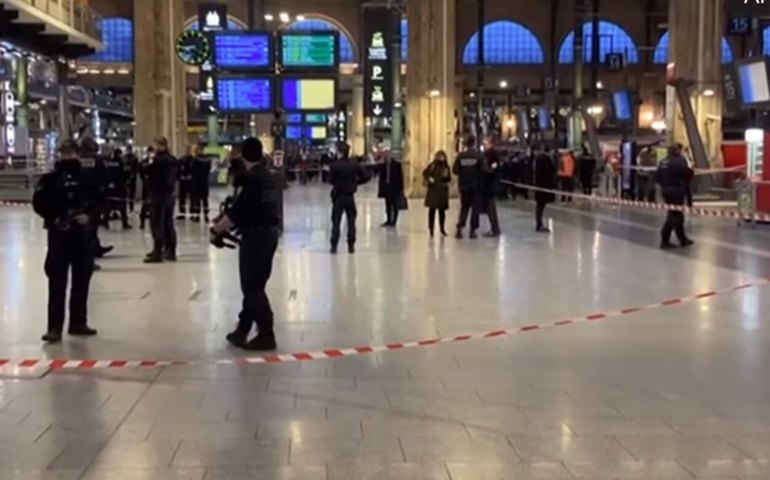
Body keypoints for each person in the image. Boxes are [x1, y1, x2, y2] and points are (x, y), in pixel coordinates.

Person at [212, 137, 280, 352]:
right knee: (255, 285)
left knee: (252, 287)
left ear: (243, 155)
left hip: (256, 237)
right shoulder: (268, 177)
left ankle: (266, 333)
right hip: (269, 235)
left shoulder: (250, 180)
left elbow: (237, 212)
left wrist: (216, 230)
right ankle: (242, 329)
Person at [33, 141, 99, 343]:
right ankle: (54, 327)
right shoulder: (50, 179)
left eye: (71, 152)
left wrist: (88, 216)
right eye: (64, 152)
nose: (67, 156)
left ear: (78, 154)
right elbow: (39, 203)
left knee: (81, 281)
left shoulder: (88, 178)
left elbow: (99, 201)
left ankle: (78, 322)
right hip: (59, 235)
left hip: (82, 236)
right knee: (57, 282)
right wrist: (55, 218)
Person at [329, 143, 370, 254]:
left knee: (336, 222)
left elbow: (330, 180)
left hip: (339, 196)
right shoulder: (354, 165)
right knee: (351, 221)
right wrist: (356, 183)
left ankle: (334, 245)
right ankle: (351, 245)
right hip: (350, 197)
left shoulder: (335, 165)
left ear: (340, 152)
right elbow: (366, 176)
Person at [144, 137, 178, 263]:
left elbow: (146, 171)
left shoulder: (158, 160)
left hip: (158, 194)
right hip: (170, 194)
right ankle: (171, 250)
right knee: (168, 223)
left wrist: (148, 162)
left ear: (160, 145)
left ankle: (157, 252)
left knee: (157, 223)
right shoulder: (173, 160)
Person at [656, 145, 694, 249]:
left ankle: (682, 238)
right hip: (677, 190)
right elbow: (689, 173)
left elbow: (657, 177)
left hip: (666, 190)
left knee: (676, 214)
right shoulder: (680, 161)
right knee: (674, 215)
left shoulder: (663, 161)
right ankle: (665, 239)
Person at [453, 136, 488, 239]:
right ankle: (472, 231)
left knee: (464, 208)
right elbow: (484, 169)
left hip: (464, 186)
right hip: (476, 186)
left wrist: (463, 173)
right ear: (474, 143)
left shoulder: (461, 156)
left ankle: (460, 228)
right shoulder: (478, 156)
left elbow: (455, 170)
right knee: (475, 209)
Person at [423, 150, 452, 237]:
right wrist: (430, 178)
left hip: (442, 191)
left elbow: (449, 178)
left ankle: (442, 228)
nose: (441, 158)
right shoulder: (432, 165)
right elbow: (425, 173)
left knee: (442, 212)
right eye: (440, 156)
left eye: (442, 156)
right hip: (433, 190)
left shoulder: (446, 167)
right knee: (432, 211)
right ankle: (431, 229)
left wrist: (446, 179)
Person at [102, 148, 131, 229]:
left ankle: (105, 221)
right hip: (120, 186)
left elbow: (106, 174)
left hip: (110, 187)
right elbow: (125, 174)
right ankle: (124, 223)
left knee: (109, 205)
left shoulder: (109, 163)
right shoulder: (121, 163)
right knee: (122, 206)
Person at [534, 146, 558, 233]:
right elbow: (551, 171)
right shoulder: (546, 159)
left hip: (539, 184)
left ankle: (539, 224)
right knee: (541, 205)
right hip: (544, 185)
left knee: (539, 205)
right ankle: (539, 225)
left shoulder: (538, 159)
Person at [377, 151, 405, 227]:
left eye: (387, 155)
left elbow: (400, 177)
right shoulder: (383, 165)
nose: (386, 157)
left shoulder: (397, 164)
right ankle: (388, 220)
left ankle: (394, 221)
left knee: (395, 205)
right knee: (388, 205)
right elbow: (380, 176)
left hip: (394, 188)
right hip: (387, 188)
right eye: (385, 156)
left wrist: (401, 188)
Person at [481, 137, 502, 237]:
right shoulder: (486, 154)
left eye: (485, 144)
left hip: (490, 185)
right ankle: (494, 228)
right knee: (490, 208)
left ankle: (495, 229)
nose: (484, 146)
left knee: (491, 208)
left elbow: (493, 168)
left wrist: (487, 170)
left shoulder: (493, 154)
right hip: (487, 185)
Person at [191, 146, 212, 223]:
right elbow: (209, 170)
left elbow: (192, 171)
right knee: (205, 199)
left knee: (197, 200)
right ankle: (206, 216)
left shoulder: (195, 160)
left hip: (197, 182)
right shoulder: (208, 160)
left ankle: (197, 216)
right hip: (205, 182)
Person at [177, 146, 195, 219]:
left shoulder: (193, 160)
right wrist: (180, 176)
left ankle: (192, 212)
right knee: (182, 197)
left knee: (192, 197)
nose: (187, 151)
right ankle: (182, 212)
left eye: (189, 150)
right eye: (186, 150)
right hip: (183, 180)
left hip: (191, 181)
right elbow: (178, 169)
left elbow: (194, 170)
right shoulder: (181, 160)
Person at [138, 147, 153, 230]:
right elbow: (141, 171)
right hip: (146, 186)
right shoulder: (143, 162)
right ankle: (142, 222)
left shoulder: (156, 161)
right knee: (145, 205)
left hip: (154, 186)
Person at [124, 146, 140, 212]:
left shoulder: (126, 158)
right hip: (127, 178)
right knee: (128, 194)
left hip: (131, 178)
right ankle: (129, 208)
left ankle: (130, 207)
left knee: (131, 194)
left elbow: (136, 169)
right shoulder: (126, 158)